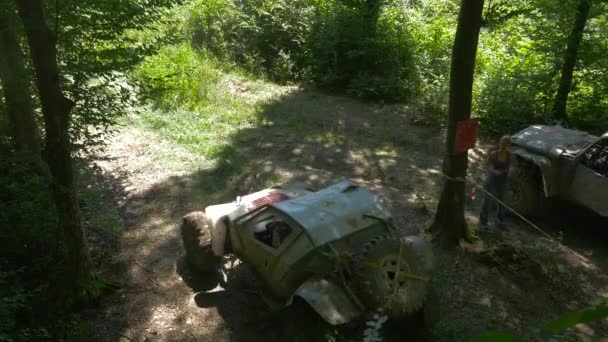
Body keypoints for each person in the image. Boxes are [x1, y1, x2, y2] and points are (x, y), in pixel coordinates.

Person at [479, 135, 512, 229]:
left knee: (502, 201)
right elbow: (485, 165)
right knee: (487, 200)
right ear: (500, 142)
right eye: (503, 143)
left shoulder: (509, 155)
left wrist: (509, 170)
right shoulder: (494, 154)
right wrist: (494, 171)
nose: (504, 145)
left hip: (503, 179)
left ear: (509, 145)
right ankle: (482, 223)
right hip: (492, 178)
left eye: (506, 143)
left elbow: (512, 166)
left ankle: (499, 221)